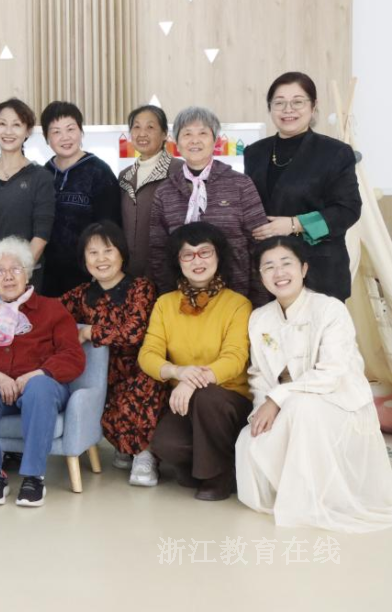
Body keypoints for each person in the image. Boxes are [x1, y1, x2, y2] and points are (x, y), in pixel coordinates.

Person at [236, 236, 392, 532]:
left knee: (303, 408)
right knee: (249, 438)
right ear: (261, 275)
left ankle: (311, 499)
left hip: (337, 401)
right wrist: (261, 408)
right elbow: (258, 374)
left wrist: (277, 398)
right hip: (286, 403)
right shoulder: (259, 318)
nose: (279, 273)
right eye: (269, 267)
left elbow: (332, 372)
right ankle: (291, 494)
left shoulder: (330, 309)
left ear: (304, 269)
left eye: (286, 264)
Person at [0, 237, 85, 507]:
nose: (8, 277)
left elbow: (73, 356)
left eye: (15, 269)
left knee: (39, 388)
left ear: (27, 273)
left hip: (42, 389)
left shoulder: (52, 309)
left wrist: (37, 374)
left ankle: (33, 477)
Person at [138, 222, 252, 501]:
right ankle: (215, 464)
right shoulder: (165, 304)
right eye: (188, 254)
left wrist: (192, 382)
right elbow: (148, 354)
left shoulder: (238, 304)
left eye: (205, 252)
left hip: (228, 400)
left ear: (218, 256)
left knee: (207, 397)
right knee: (165, 445)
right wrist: (178, 372)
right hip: (186, 402)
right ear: (178, 261)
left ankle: (218, 477)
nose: (197, 261)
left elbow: (235, 358)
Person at [61, 222, 165, 486]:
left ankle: (143, 453)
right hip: (101, 374)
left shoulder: (141, 287)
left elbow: (133, 333)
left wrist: (88, 332)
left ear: (121, 254)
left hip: (137, 369)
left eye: (108, 251)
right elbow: (47, 313)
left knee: (145, 382)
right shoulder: (82, 294)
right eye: (93, 253)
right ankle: (124, 444)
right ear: (84, 260)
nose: (101, 259)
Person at [245, 71, 362, 301]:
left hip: (319, 272)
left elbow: (348, 209)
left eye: (298, 102)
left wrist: (295, 224)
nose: (288, 109)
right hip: (268, 274)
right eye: (279, 102)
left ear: (313, 106)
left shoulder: (335, 152)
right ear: (270, 107)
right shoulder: (254, 152)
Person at [148, 106, 267, 301]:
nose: (194, 140)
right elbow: (159, 252)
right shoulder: (165, 191)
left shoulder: (240, 184)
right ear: (176, 142)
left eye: (203, 133)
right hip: (183, 299)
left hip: (237, 295)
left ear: (215, 140)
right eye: (187, 134)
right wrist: (169, 298)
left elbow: (260, 244)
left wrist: (258, 299)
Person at [0, 98, 55, 301]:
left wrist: (16, 277)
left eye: (16, 125)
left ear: (28, 131)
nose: (8, 131)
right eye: (2, 124)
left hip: (28, 281)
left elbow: (41, 234)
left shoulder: (40, 177)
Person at [40, 101, 121, 297]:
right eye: (56, 132)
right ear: (46, 138)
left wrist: (100, 271)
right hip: (47, 275)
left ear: (81, 131)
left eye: (70, 129)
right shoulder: (43, 173)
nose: (65, 137)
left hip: (89, 274)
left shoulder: (99, 171)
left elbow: (110, 226)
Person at [118, 104, 183, 279]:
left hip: (168, 273)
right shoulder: (124, 176)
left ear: (164, 134)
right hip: (130, 275)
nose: (142, 133)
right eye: (136, 127)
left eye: (150, 127)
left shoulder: (179, 171)